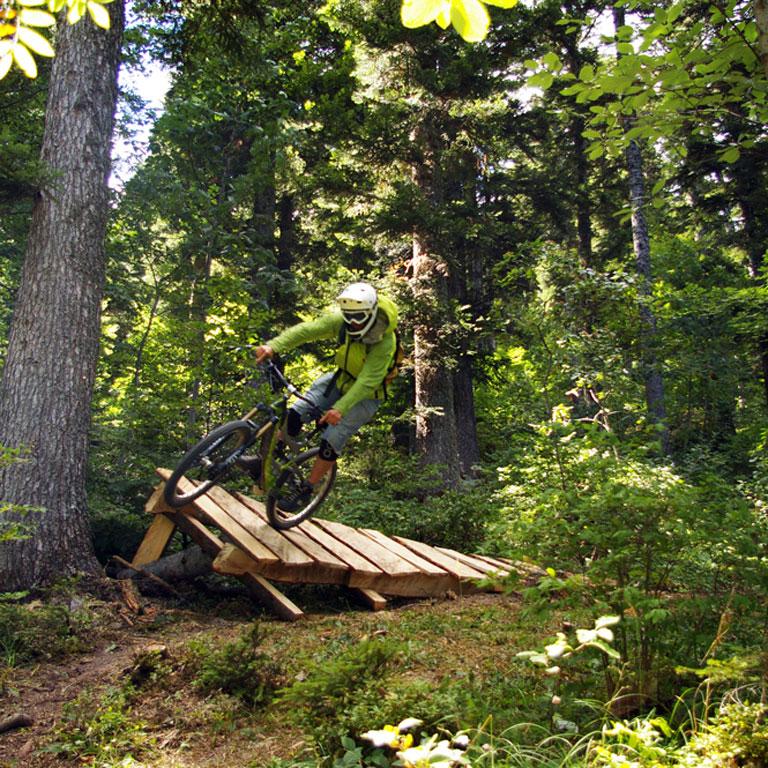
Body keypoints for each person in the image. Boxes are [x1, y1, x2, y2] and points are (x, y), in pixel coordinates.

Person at [253, 282, 399, 512]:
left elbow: (368, 381)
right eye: (349, 316)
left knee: (332, 440)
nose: (353, 322)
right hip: (338, 380)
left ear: (370, 313)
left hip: (366, 396)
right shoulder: (343, 323)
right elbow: (308, 330)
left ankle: (306, 490)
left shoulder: (385, 341)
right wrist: (273, 346)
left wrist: (340, 408)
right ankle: (265, 461)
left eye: (358, 317)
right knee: (294, 414)